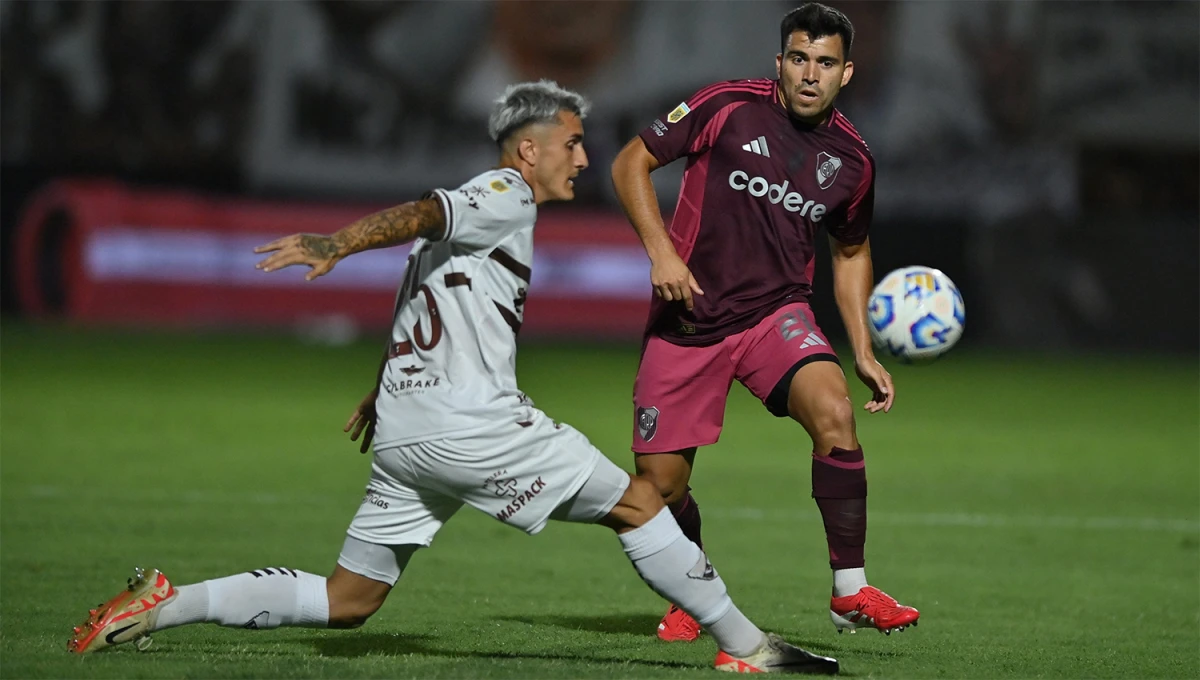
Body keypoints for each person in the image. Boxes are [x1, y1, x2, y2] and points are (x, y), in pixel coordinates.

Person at [67, 80, 838, 675]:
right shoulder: (502, 195)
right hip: (474, 426)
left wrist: (380, 391)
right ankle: (748, 647)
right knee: (642, 502)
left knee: (349, 600)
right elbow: (421, 212)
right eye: (569, 144)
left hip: (408, 435)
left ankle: (165, 606)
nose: (580, 157)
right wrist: (335, 242)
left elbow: (417, 296)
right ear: (527, 152)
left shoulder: (480, 224)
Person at [609, 4, 919, 642]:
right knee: (658, 489)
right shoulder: (726, 105)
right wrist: (663, 253)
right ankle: (692, 590)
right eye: (799, 58)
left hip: (775, 314)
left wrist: (860, 348)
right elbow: (628, 163)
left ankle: (850, 591)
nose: (810, 74)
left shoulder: (852, 160)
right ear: (779, 62)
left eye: (825, 62)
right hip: (689, 320)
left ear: (846, 72)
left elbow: (852, 250)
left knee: (835, 413)